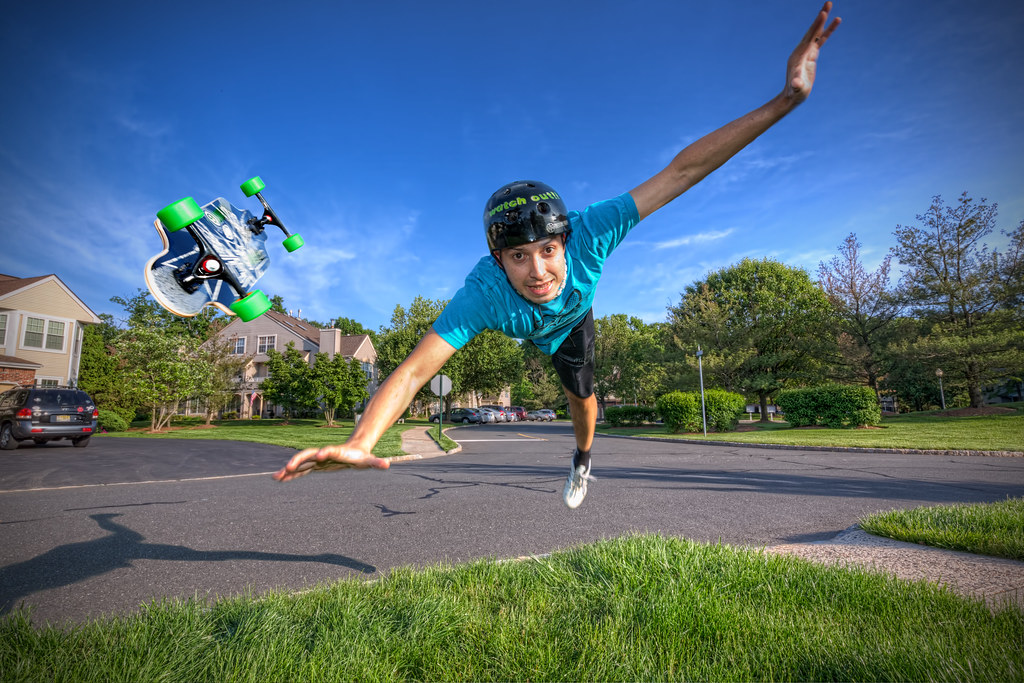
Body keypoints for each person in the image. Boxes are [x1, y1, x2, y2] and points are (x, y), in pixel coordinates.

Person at [274, 2, 842, 508]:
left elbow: (682, 171)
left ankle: (583, 460)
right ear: (499, 262)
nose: (538, 271)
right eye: (519, 257)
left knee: (583, 402)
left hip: (574, 326)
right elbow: (415, 370)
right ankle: (576, 442)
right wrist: (359, 443)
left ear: (566, 240)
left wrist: (785, 101)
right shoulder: (484, 292)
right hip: (526, 330)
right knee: (549, 377)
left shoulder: (594, 231)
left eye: (547, 250)